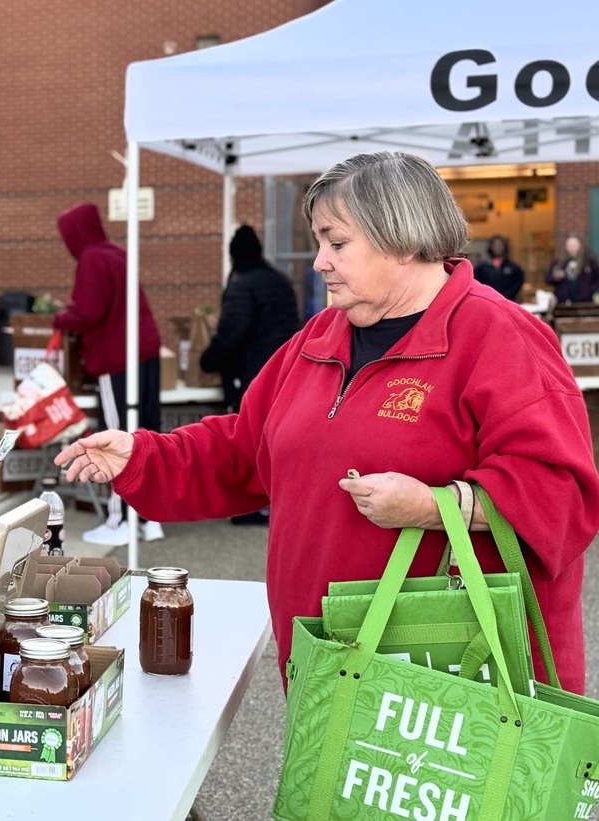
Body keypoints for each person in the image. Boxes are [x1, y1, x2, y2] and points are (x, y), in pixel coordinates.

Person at [56, 151, 599, 696]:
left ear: (403, 239)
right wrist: (144, 454)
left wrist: (437, 507)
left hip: (453, 689)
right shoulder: (320, 337)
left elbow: (562, 494)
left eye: (336, 243)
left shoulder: (499, 336)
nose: (319, 261)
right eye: (319, 242)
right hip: (325, 663)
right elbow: (248, 448)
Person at [51, 202, 164, 547]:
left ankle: (120, 520)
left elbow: (89, 312)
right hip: (144, 351)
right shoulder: (117, 253)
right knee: (147, 434)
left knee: (118, 437)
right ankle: (151, 518)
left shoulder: (92, 259)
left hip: (116, 357)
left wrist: (60, 318)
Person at [200, 224, 300, 414]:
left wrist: (207, 361)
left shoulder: (242, 286)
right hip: (286, 372)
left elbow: (231, 333)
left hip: (254, 377)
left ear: (234, 255)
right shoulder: (281, 281)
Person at [546, 232, 599, 304]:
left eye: (575, 245)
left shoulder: (589, 261)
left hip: (584, 302)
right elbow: (548, 279)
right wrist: (556, 277)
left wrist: (590, 290)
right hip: (563, 303)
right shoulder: (559, 262)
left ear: (580, 245)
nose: (572, 248)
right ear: (565, 246)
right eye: (570, 245)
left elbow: (597, 278)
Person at [472, 234, 524, 301]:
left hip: (508, 301)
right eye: (495, 245)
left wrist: (506, 296)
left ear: (504, 247)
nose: (498, 247)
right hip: (488, 300)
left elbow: (518, 283)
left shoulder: (513, 267)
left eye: (500, 245)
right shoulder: (482, 267)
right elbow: (477, 283)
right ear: (491, 247)